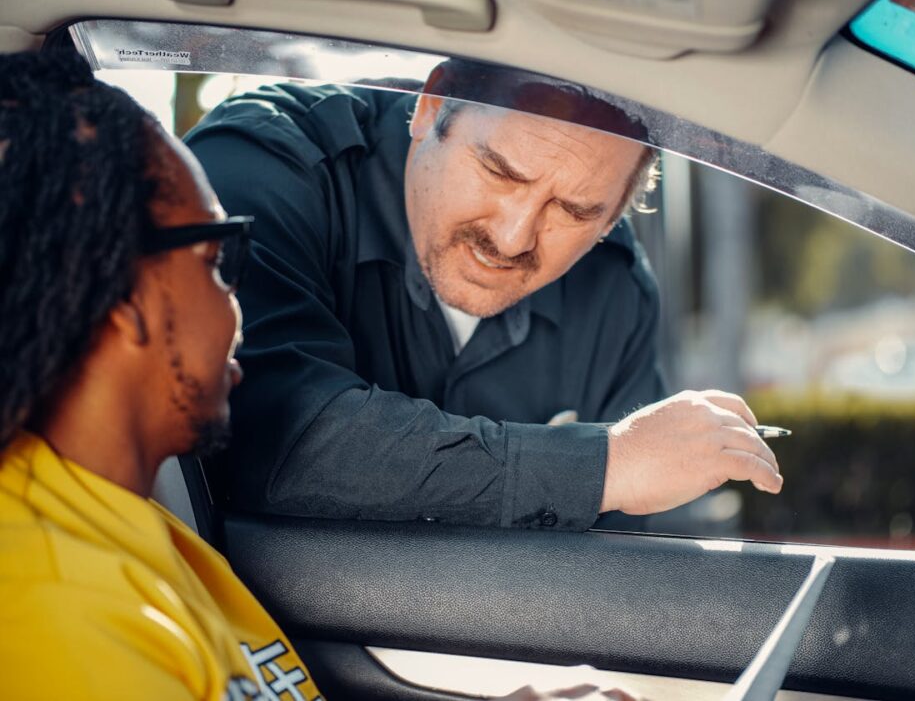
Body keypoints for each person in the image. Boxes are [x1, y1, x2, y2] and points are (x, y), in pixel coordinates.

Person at [0, 50, 633, 701]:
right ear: (127, 293)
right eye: (220, 264)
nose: (244, 314)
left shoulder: (156, 541)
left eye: (575, 210)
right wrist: (603, 462)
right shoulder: (56, 602)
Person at [186, 60, 783, 530]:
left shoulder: (616, 293)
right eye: (500, 171)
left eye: (574, 211)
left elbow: (613, 567)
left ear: (614, 216)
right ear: (432, 106)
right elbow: (280, 441)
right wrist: (603, 463)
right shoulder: (265, 166)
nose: (512, 235)